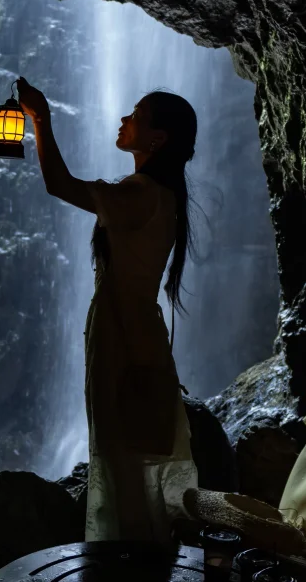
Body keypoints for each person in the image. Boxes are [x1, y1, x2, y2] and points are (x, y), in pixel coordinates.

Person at [15, 78, 199, 543]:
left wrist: (41, 118)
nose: (123, 120)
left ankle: (129, 561)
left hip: (123, 338)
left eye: (136, 115)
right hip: (136, 331)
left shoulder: (142, 195)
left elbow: (59, 184)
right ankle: (140, 556)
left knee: (121, 451)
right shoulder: (156, 193)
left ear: (157, 139)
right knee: (132, 449)